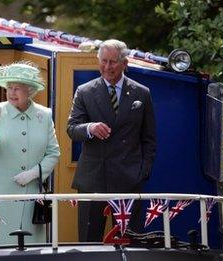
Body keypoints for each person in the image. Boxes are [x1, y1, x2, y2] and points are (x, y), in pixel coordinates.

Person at [67, 39, 156, 242]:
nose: (107, 67)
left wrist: (142, 172)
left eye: (113, 62)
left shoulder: (142, 93)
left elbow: (149, 139)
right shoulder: (85, 91)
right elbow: (72, 129)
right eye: (103, 61)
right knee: (90, 243)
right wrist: (90, 128)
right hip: (93, 180)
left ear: (125, 64)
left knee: (128, 242)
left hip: (128, 179)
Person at [0, 61, 60, 246]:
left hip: (31, 194)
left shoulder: (44, 115)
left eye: (17, 88)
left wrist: (34, 173)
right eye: (9, 88)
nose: (12, 93)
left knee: (29, 248)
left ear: (30, 91)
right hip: (0, 194)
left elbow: (53, 153)